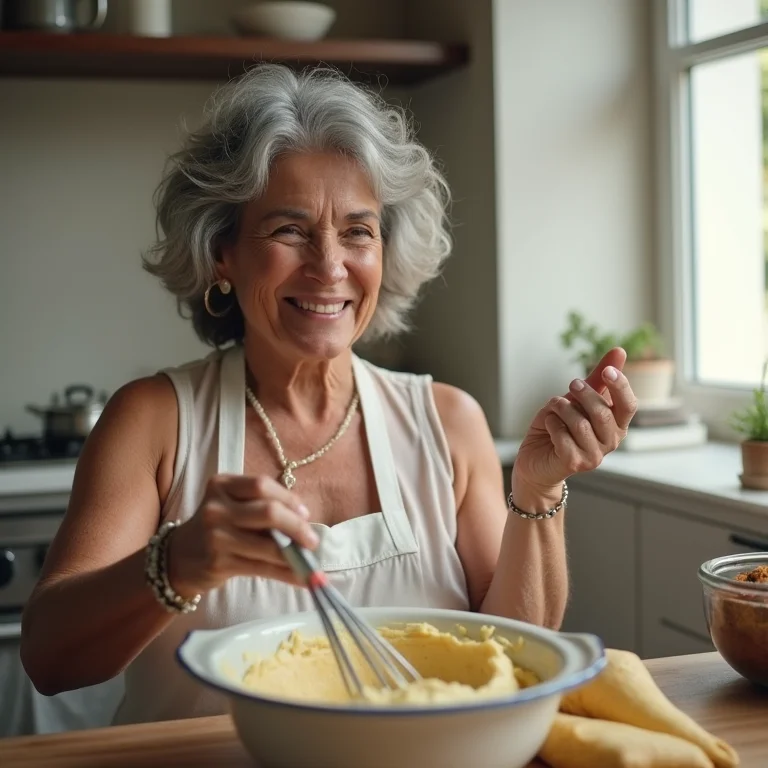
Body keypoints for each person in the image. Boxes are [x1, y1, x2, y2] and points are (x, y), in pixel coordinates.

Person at [20, 64, 637, 724]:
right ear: (222, 252)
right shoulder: (153, 421)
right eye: (289, 229)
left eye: (357, 230)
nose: (329, 264)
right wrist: (178, 563)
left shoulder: (450, 422)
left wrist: (538, 492)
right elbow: (52, 662)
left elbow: (515, 660)